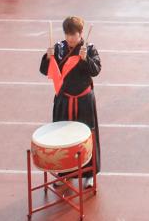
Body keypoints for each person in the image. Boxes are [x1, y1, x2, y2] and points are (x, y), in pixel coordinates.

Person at [40, 16, 102, 187]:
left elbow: (96, 70)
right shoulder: (58, 48)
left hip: (84, 100)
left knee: (87, 136)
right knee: (63, 137)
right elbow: (44, 70)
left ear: (81, 33)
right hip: (64, 99)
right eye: (67, 34)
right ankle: (64, 173)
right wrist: (48, 57)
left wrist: (86, 59)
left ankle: (89, 174)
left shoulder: (89, 49)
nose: (70, 38)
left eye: (73, 35)